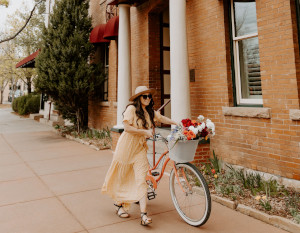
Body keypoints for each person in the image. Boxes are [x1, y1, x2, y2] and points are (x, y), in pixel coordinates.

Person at [101, 86, 177, 226]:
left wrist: (177, 123)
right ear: (138, 98)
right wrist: (145, 132)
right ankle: (119, 204)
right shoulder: (131, 109)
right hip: (126, 147)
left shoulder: (148, 111)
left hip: (139, 149)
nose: (148, 98)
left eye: (149, 96)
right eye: (144, 96)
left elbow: (161, 117)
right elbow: (127, 128)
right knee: (123, 176)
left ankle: (143, 215)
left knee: (141, 179)